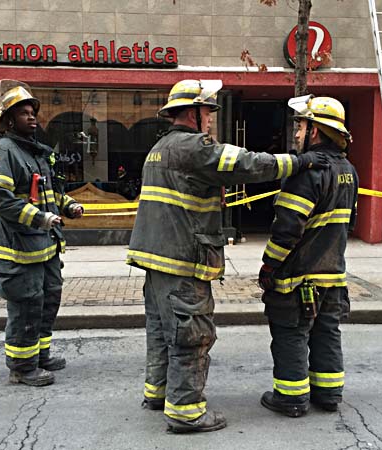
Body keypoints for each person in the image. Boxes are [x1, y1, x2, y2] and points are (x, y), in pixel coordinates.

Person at [126, 79, 329, 433]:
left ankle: (158, 393)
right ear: (193, 112)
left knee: (162, 332)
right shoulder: (193, 147)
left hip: (156, 259)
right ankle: (186, 411)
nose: (211, 120)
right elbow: (249, 164)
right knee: (190, 334)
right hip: (182, 260)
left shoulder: (161, 147)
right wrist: (299, 162)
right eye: (208, 112)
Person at [258, 95, 359, 418]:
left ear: (315, 130)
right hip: (333, 273)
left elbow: (287, 228)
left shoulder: (308, 170)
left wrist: (269, 265)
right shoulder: (349, 170)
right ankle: (328, 394)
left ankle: (291, 398)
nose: (297, 133)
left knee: (291, 332)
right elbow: (349, 224)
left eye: (300, 126)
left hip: (298, 275)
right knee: (327, 331)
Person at [0, 80, 84, 387]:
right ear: (8, 120)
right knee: (25, 307)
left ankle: (40, 355)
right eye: (23, 113)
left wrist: (70, 206)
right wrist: (38, 219)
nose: (32, 117)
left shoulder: (38, 153)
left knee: (47, 302)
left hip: (47, 248)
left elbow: (51, 193)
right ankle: (22, 368)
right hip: (19, 252)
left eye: (32, 112)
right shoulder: (1, 152)